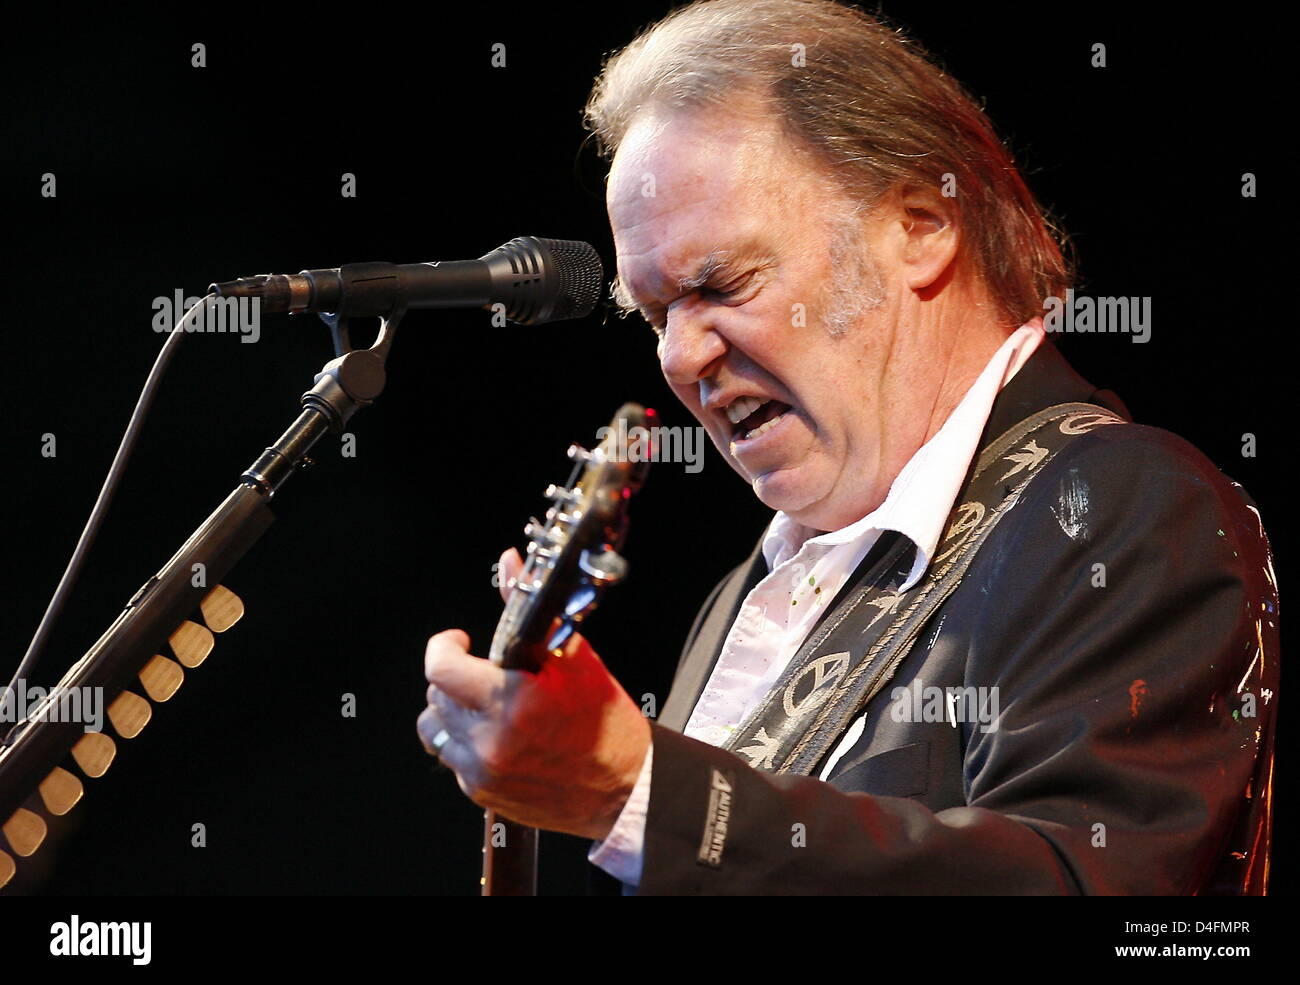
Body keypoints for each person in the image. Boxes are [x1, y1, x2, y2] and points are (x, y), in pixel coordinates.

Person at [417, 0, 1277, 894]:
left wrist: (638, 791)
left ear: (921, 225)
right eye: (655, 314)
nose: (677, 355)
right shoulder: (744, 597)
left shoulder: (1117, 507)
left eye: (724, 281)